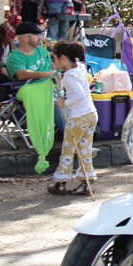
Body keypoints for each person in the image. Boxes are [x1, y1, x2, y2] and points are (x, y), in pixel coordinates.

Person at [48, 41, 97, 196]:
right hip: (91, 114)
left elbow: (79, 95)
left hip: (78, 117)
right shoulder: (80, 68)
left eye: (55, 58)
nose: (54, 62)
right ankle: (86, 181)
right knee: (84, 149)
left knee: (68, 149)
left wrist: (64, 102)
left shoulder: (69, 76)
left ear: (62, 57)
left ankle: (61, 182)